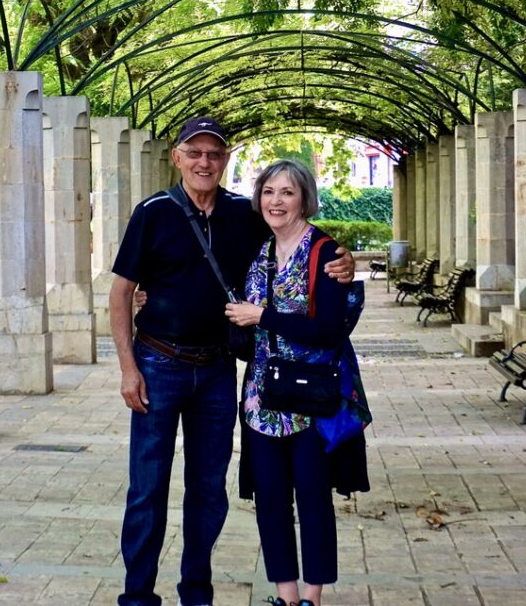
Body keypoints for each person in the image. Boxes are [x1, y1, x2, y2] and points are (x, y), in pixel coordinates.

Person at [109, 118, 356, 606]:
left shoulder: (244, 214)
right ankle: (138, 596)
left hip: (219, 371)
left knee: (208, 489)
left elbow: (297, 236)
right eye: (194, 153)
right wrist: (127, 368)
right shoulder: (153, 213)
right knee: (147, 488)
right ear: (177, 157)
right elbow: (120, 294)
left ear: (225, 161)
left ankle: (196, 592)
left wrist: (341, 259)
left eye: (214, 154)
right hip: (158, 364)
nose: (205, 162)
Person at [225, 159, 370, 606]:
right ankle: (285, 596)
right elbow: (246, 336)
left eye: (287, 192)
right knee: (269, 499)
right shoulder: (262, 252)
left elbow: (328, 330)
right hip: (262, 398)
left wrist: (262, 316)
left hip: (312, 398)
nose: (276, 201)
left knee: (312, 498)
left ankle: (313, 596)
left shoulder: (325, 253)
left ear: (305, 197)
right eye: (268, 192)